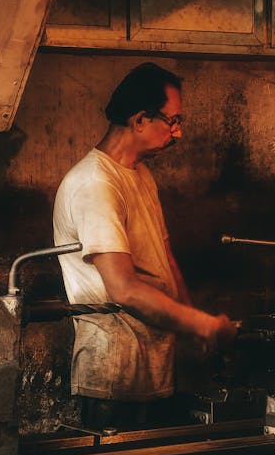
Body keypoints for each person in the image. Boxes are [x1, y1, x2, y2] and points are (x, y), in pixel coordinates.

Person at [53, 61, 237, 433]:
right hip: (114, 374)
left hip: (153, 365)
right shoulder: (95, 183)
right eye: (173, 121)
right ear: (139, 120)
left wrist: (190, 327)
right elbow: (123, 288)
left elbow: (163, 257)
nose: (179, 132)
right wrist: (203, 324)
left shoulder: (138, 173)